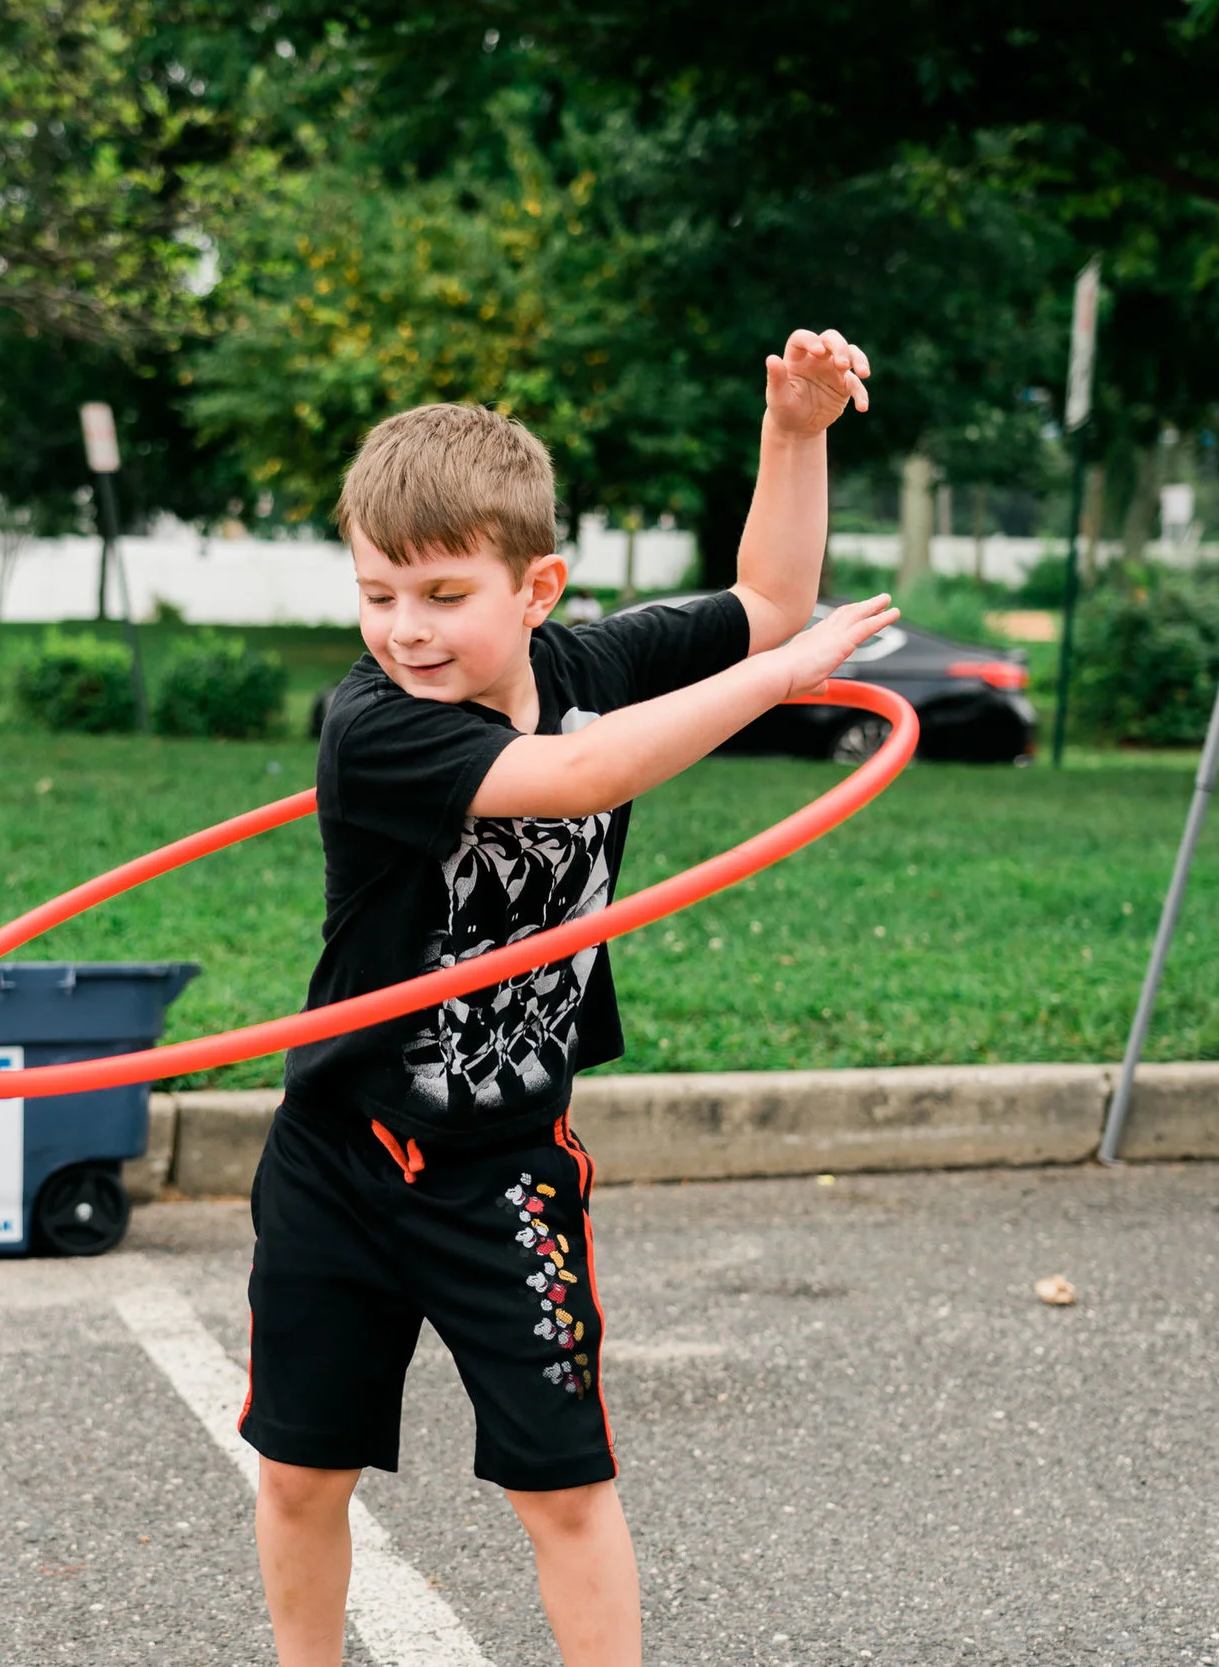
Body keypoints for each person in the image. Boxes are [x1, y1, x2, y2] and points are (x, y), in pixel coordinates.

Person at [242, 329, 893, 1667]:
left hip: (504, 1168)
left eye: (439, 593)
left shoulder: (591, 668)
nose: (404, 629)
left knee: (565, 1485)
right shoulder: (376, 726)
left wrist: (797, 431)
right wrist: (772, 685)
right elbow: (580, 781)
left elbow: (768, 599)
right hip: (343, 1155)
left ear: (537, 586)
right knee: (303, 1471)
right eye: (377, 595)